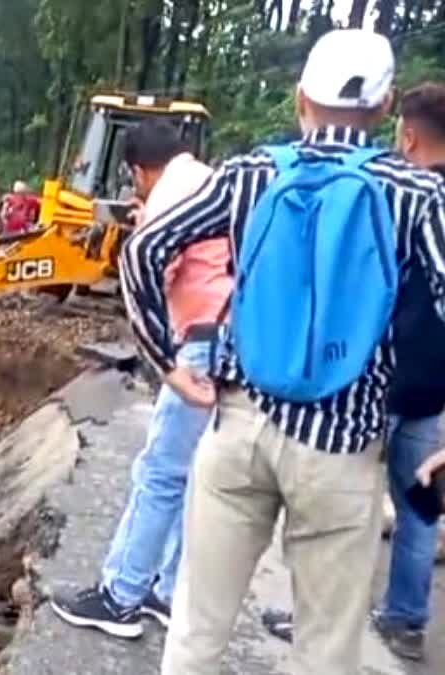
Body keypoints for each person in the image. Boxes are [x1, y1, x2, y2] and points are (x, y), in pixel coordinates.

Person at [119, 29, 445, 674]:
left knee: (195, 630)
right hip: (344, 449)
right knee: (326, 650)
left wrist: (169, 364)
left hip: (239, 430)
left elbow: (142, 251)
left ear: (301, 97)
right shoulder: (417, 194)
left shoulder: (250, 174)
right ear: (383, 110)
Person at [258, 81, 445, 663]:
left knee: (346, 506)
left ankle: (314, 619)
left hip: (374, 379)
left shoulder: (396, 195)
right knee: (420, 506)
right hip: (434, 387)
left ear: (407, 134)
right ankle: (406, 618)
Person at [49, 120, 230, 639]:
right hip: (227, 340)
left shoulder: (169, 194)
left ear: (136, 171)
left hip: (198, 342)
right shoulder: (203, 177)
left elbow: (158, 271)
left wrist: (146, 229)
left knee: (160, 473)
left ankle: (121, 596)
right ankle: (167, 591)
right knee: (192, 474)